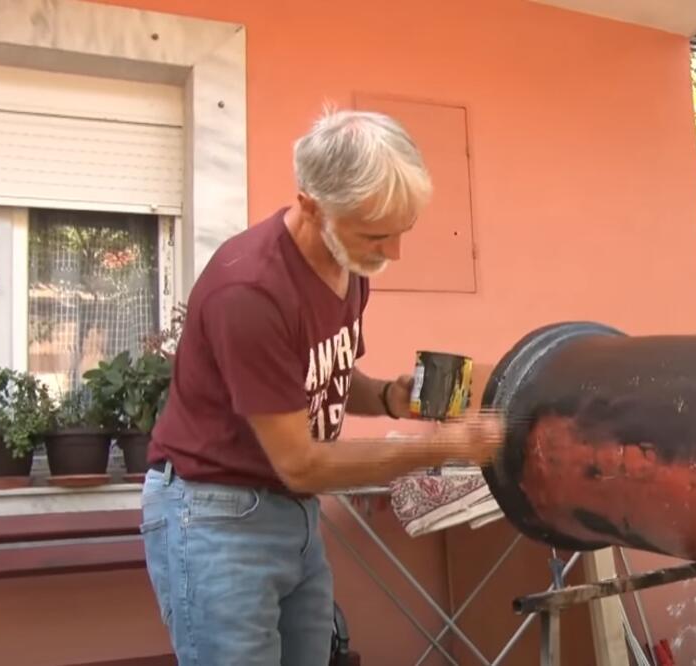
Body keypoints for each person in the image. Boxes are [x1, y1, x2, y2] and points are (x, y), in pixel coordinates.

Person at [139, 108, 504, 666]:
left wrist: (387, 397)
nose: (393, 252)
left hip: (294, 514)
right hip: (216, 514)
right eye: (377, 234)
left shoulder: (346, 260)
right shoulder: (251, 292)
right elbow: (302, 463)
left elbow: (323, 375)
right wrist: (445, 448)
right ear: (312, 204)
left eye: (401, 231)